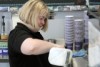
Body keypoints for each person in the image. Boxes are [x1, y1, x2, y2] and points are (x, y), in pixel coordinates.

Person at [8, 0, 65, 67]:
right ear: (30, 15)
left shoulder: (35, 34)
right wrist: (55, 46)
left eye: (44, 19)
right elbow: (31, 47)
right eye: (41, 18)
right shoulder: (16, 34)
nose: (43, 23)